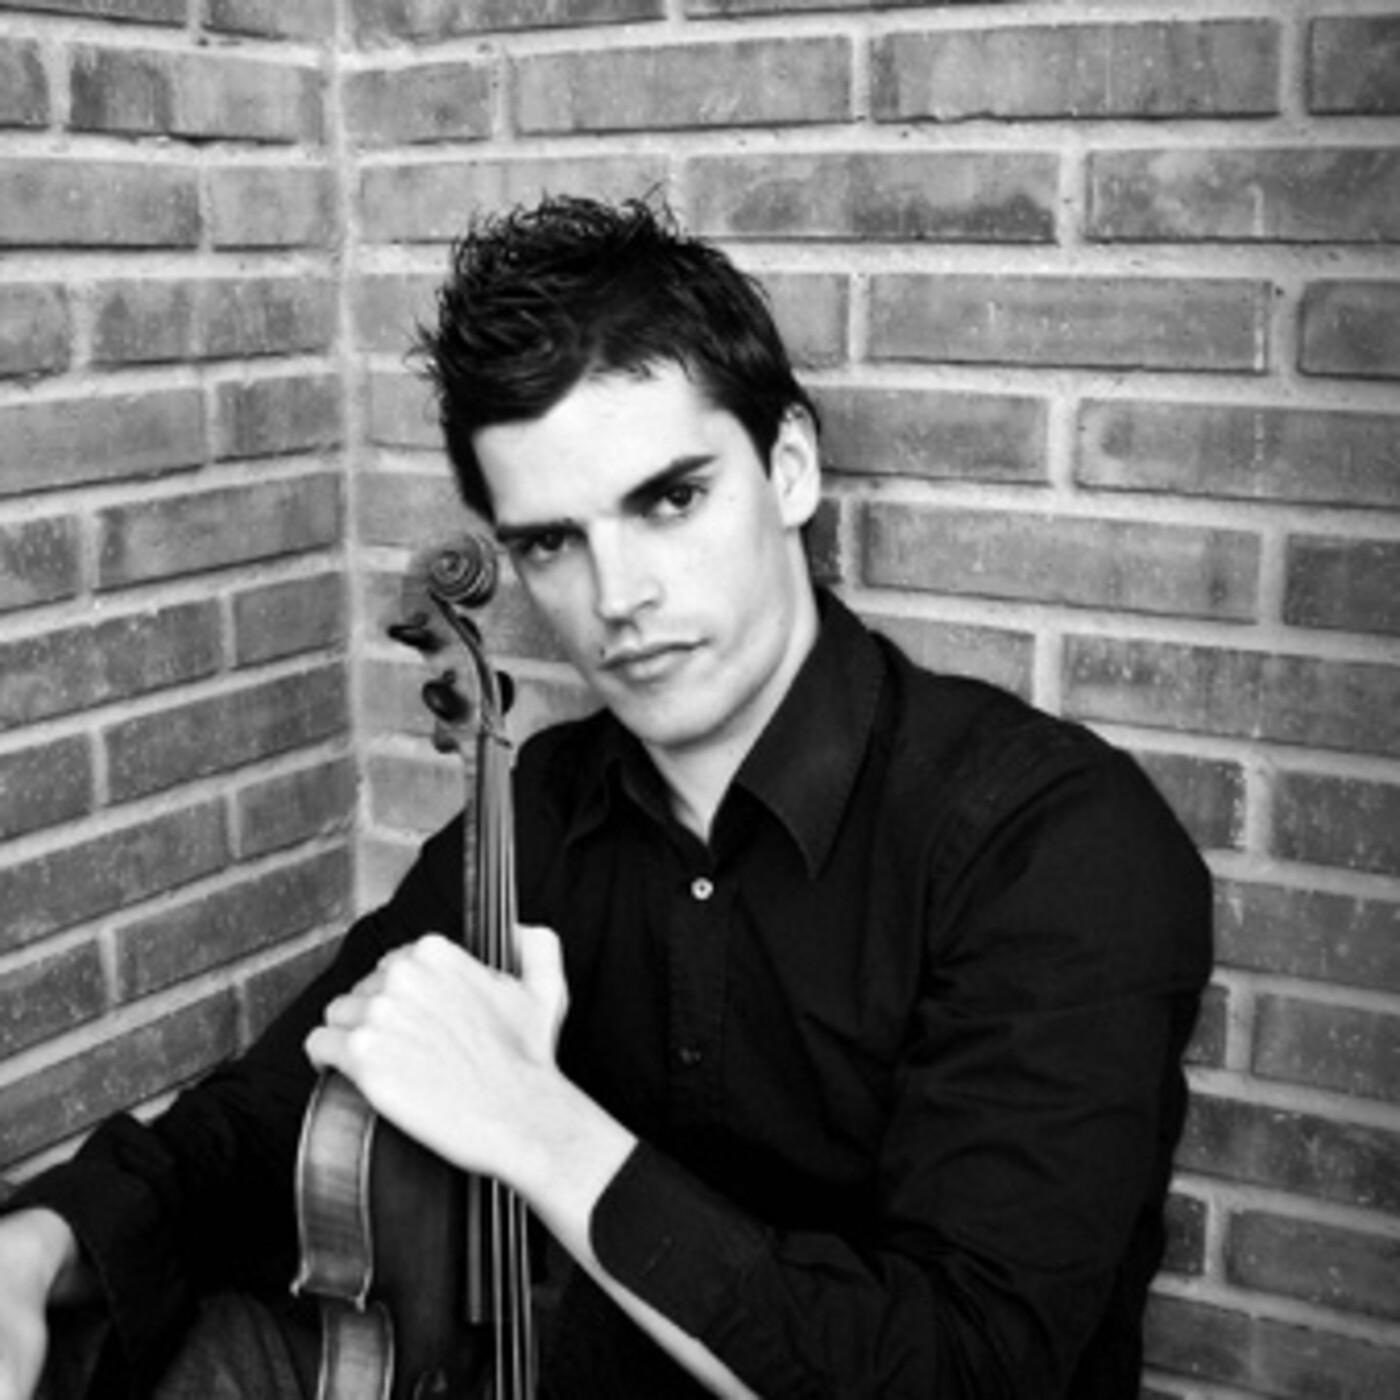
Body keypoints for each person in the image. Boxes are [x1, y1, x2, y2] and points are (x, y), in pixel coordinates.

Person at [0, 194, 1212, 1399]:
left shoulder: (1051, 844)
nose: (616, 595)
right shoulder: (539, 811)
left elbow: (964, 1364)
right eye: (549, 541)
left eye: (669, 499)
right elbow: (282, 1111)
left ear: (788, 467)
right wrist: (37, 1249)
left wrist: (533, 1122)